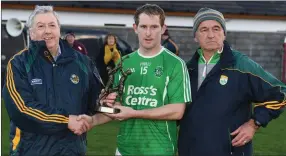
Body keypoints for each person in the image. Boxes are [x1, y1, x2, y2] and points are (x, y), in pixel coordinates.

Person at [78, 4, 192, 156]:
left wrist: (134, 113)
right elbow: (117, 108)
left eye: (154, 27)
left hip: (159, 150)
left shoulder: (175, 64)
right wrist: (94, 118)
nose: (148, 33)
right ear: (135, 28)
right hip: (125, 149)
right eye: (143, 26)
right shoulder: (124, 63)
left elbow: (177, 111)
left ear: (163, 29)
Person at [2, 5, 116, 156]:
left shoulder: (83, 62)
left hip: (72, 151)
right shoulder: (18, 64)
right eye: (41, 26)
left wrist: (104, 103)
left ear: (59, 29)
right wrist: (65, 121)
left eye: (52, 25)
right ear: (31, 32)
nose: (47, 30)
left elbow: (95, 102)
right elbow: (22, 110)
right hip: (30, 151)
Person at [178, 7, 286, 156]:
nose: (211, 35)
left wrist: (254, 124)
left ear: (224, 33)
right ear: (195, 36)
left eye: (216, 29)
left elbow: (281, 94)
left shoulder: (241, 65)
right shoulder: (186, 70)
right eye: (203, 30)